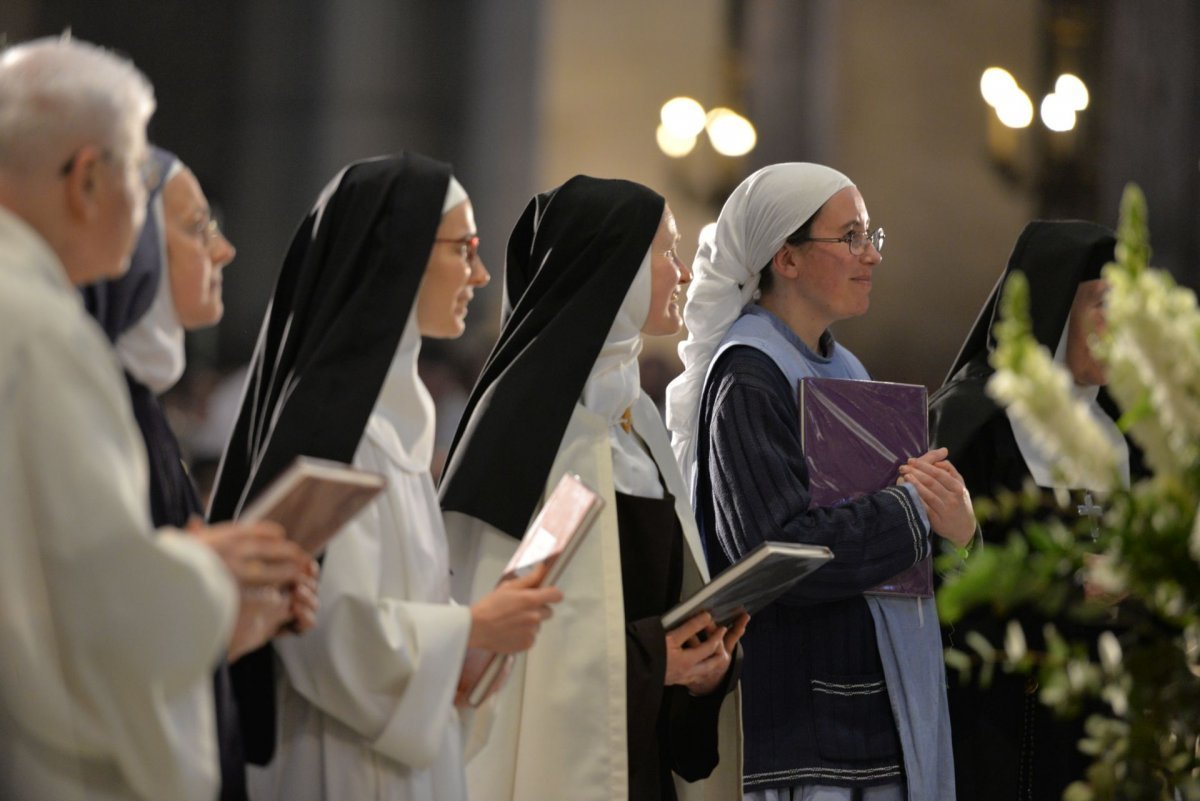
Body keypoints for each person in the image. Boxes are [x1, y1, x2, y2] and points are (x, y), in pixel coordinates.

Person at [206, 153, 562, 801]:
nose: (480, 274)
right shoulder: (335, 429)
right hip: (331, 758)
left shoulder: (392, 418)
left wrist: (463, 653)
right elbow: (319, 630)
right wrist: (472, 627)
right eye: (465, 249)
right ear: (394, 255)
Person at [0, 36, 297, 801]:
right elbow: (103, 600)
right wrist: (218, 570)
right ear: (88, 180)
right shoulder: (42, 333)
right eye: (137, 172)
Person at [665, 162, 976, 800]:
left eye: (871, 236)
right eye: (851, 237)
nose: (871, 255)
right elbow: (776, 550)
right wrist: (913, 510)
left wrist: (958, 532)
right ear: (788, 258)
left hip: (872, 711)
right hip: (809, 730)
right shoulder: (748, 377)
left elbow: (897, 553)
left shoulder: (850, 368)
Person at [439, 175, 746, 801]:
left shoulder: (642, 422)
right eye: (665, 252)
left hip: (643, 762)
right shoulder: (526, 432)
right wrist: (658, 661)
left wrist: (707, 661)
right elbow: (510, 651)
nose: (682, 273)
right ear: (616, 267)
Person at [82, 147, 320, 801]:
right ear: (130, 244)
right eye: (198, 227)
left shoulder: (140, 404)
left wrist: (241, 617)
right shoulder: (91, 408)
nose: (225, 251)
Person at [928, 220, 1138, 801]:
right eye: (1103, 304)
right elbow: (932, 577)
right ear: (1055, 309)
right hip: (994, 719)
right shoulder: (973, 423)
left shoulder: (1125, 437)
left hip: (1097, 720)